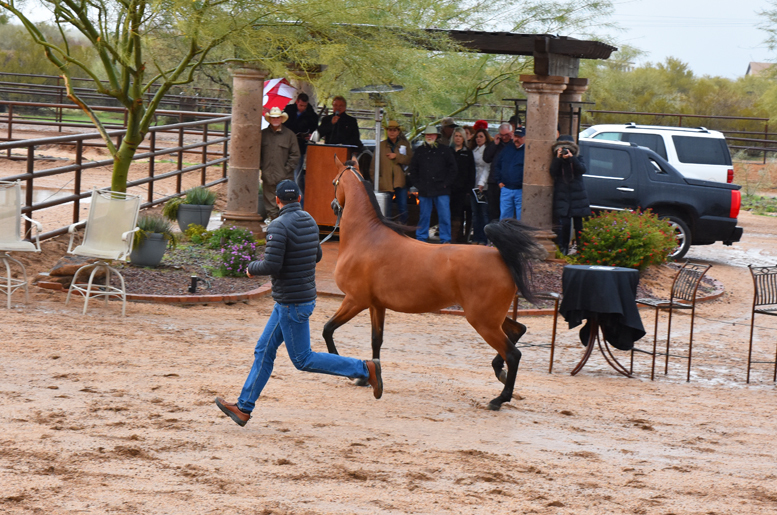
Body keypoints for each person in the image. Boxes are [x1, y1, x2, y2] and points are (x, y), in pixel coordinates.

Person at [215, 180, 383, 427]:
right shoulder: (308, 220)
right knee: (264, 349)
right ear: (300, 198)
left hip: (291, 303)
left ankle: (364, 368)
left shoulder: (278, 226)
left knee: (303, 359)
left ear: (277, 200)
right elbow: (317, 255)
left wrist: (251, 268)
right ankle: (243, 407)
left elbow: (271, 265)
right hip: (296, 299)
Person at [408, 126, 457, 243]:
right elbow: (412, 169)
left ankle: (445, 240)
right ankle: (421, 238)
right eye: (427, 135)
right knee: (424, 216)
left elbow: (453, 169)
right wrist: (418, 184)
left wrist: (446, 184)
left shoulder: (445, 150)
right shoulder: (419, 151)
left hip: (441, 189)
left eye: (432, 135)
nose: (429, 136)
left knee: (444, 216)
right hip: (425, 189)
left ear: (437, 136)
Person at [550, 135, 591, 255]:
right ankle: (563, 248)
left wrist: (572, 158)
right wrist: (558, 158)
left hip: (577, 196)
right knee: (564, 224)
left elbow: (582, 169)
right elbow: (552, 172)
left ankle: (581, 248)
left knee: (579, 224)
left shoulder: (578, 158)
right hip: (563, 196)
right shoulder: (557, 160)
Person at [368, 119, 413, 223]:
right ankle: (387, 230)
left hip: (400, 182)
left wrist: (397, 156)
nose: (392, 132)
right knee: (385, 209)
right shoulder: (381, 145)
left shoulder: (405, 145)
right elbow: (373, 166)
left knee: (403, 208)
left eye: (394, 130)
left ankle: (402, 230)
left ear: (398, 132)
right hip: (384, 183)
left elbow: (410, 160)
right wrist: (377, 181)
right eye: (390, 130)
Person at [261, 107, 300, 221]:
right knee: (269, 200)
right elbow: (257, 153)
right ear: (270, 119)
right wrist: (262, 167)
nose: (275, 119)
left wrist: (287, 169)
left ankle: (283, 222)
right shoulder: (263, 134)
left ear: (281, 119)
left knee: (285, 201)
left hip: (284, 176)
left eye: (278, 117)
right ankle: (273, 220)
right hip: (268, 174)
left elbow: (295, 155)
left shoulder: (290, 135)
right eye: (273, 118)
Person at [283, 93, 319, 194]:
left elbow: (314, 126)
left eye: (305, 106)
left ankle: (300, 199)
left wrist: (309, 134)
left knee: (297, 174)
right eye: (301, 105)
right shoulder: (289, 110)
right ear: (297, 102)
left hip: (300, 145)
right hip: (287, 144)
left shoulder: (311, 114)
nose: (303, 108)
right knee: (285, 172)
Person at [493, 127, 526, 220]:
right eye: (515, 136)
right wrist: (499, 181)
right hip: (506, 188)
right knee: (504, 217)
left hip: (520, 190)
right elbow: (497, 164)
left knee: (521, 218)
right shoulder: (507, 149)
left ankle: (519, 234)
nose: (516, 139)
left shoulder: (528, 151)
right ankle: (504, 234)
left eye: (520, 137)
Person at [483, 123, 513, 222]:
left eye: (507, 135)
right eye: (502, 135)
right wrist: (494, 144)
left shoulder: (513, 144)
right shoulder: (496, 144)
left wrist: (512, 140)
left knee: (506, 210)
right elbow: (486, 158)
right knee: (493, 210)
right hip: (494, 181)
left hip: (507, 182)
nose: (504, 137)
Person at [450, 127, 475, 243]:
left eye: (460, 136)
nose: (458, 138)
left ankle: (464, 238)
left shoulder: (468, 153)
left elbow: (471, 172)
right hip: (449, 188)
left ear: (464, 138)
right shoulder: (448, 151)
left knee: (463, 213)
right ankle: (454, 237)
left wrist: (469, 189)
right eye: (456, 136)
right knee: (452, 213)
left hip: (463, 188)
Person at [470, 128, 493, 245]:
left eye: (481, 136)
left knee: (483, 213)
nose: (478, 139)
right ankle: (476, 237)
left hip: (483, 186)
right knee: (475, 213)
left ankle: (484, 238)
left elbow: (487, 168)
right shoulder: (474, 150)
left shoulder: (487, 150)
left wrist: (482, 183)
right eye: (477, 137)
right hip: (474, 185)